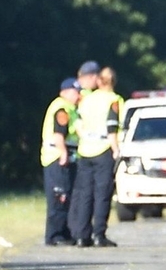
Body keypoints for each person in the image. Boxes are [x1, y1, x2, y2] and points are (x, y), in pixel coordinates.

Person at [68, 65, 123, 247]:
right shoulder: (114, 100)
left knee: (85, 194)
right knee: (102, 194)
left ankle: (82, 236)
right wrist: (116, 150)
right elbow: (112, 127)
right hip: (104, 150)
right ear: (113, 81)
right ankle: (99, 235)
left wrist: (84, 137)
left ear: (99, 81)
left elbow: (78, 122)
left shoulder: (87, 99)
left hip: (85, 150)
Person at [41, 78, 82, 245]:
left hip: (63, 158)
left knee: (66, 197)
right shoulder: (61, 109)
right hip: (57, 158)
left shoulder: (70, 108)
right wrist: (63, 154)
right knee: (59, 197)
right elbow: (59, 134)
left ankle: (64, 233)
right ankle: (54, 235)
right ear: (64, 92)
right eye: (75, 92)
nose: (78, 95)